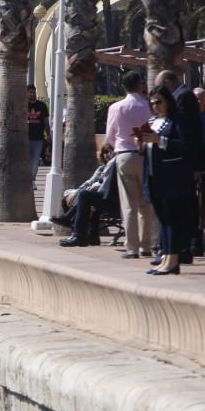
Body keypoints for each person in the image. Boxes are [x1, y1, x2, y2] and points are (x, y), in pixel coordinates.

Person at [138, 85, 194, 275]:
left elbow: (185, 146)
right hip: (154, 177)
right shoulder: (153, 121)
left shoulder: (177, 120)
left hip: (172, 178)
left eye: (159, 102)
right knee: (163, 219)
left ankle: (173, 260)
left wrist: (159, 141)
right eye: (152, 103)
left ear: (168, 101)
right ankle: (167, 259)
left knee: (172, 220)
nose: (156, 106)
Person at [105, 71, 154, 258]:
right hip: (145, 155)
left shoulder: (116, 108)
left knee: (129, 204)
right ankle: (146, 245)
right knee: (145, 203)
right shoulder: (147, 106)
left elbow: (110, 136)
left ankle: (132, 248)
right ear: (140, 85)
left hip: (124, 154)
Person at [56, 144, 119, 247]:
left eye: (110, 151)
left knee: (85, 196)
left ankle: (78, 235)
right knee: (85, 196)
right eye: (105, 152)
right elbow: (91, 182)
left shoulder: (115, 162)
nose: (108, 154)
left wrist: (95, 188)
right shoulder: (109, 164)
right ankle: (91, 236)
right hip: (114, 199)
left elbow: (106, 186)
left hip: (114, 201)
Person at [27, 85, 51, 188]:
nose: (32, 94)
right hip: (25, 137)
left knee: (36, 159)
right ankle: (25, 179)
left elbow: (46, 122)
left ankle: (32, 180)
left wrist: (48, 134)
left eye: (34, 92)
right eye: (30, 92)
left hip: (38, 137)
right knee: (27, 159)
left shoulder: (42, 105)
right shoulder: (23, 105)